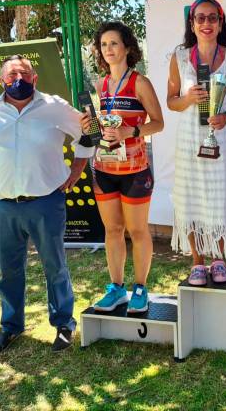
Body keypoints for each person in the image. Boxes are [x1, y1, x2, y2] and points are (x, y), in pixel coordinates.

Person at [0, 55, 94, 353]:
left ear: (35, 78)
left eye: (24, 73)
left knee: (55, 266)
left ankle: (63, 324)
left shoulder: (54, 107)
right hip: (1, 207)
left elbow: (88, 131)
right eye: (11, 74)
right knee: (8, 270)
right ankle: (11, 326)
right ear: (1, 81)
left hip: (45, 203)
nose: (18, 79)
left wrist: (77, 169)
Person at [78, 22, 164, 313]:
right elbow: (100, 130)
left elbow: (159, 123)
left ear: (127, 47)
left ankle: (140, 287)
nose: (108, 50)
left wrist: (132, 132)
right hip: (104, 167)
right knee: (112, 230)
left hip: (135, 170)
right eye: (103, 45)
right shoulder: (100, 85)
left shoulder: (139, 82)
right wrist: (89, 127)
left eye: (114, 43)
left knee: (137, 231)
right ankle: (116, 288)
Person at [166, 0, 226, 285]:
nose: (206, 23)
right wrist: (188, 98)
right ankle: (197, 261)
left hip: (221, 137)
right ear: (192, 23)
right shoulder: (179, 56)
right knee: (190, 198)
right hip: (190, 140)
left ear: (220, 22)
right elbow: (171, 102)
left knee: (221, 197)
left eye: (212, 17)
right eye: (200, 18)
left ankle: (218, 258)